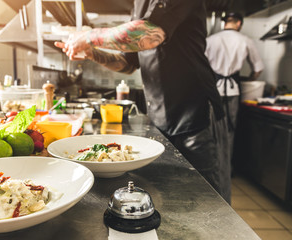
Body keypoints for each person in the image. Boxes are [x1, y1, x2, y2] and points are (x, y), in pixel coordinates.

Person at [55, 0, 231, 203]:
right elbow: (128, 63)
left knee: (208, 197)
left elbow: (150, 35)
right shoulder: (140, 5)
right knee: (173, 194)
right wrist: (92, 53)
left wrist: (89, 36)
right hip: (162, 116)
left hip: (195, 114)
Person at [205, 12, 264, 163]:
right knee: (229, 130)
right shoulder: (245, 40)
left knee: (211, 130)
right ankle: (226, 168)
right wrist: (250, 80)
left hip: (212, 92)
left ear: (225, 23)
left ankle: (212, 167)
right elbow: (258, 68)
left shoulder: (210, 40)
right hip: (234, 91)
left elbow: (200, 67)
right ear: (239, 24)